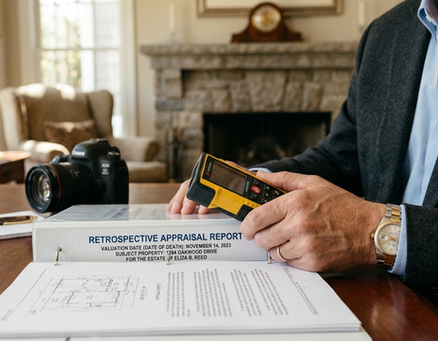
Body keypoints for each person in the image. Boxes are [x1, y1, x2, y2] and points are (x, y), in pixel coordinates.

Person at [167, 0, 438, 303]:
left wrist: (372, 231)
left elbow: (367, 225)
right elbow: (340, 157)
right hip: (383, 299)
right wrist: (258, 180)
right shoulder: (387, 32)